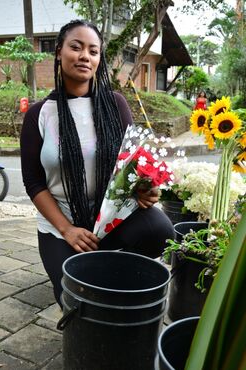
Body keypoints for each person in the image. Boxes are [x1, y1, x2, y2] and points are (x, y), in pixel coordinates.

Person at [20, 20, 174, 307]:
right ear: (59, 52)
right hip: (62, 222)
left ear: (99, 59)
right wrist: (66, 229)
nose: (84, 56)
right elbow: (33, 181)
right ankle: (78, 258)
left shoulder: (115, 105)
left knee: (162, 232)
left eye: (93, 51)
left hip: (110, 216)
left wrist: (144, 189)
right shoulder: (40, 114)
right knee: (74, 296)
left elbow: (132, 164)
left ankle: (114, 267)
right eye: (75, 47)